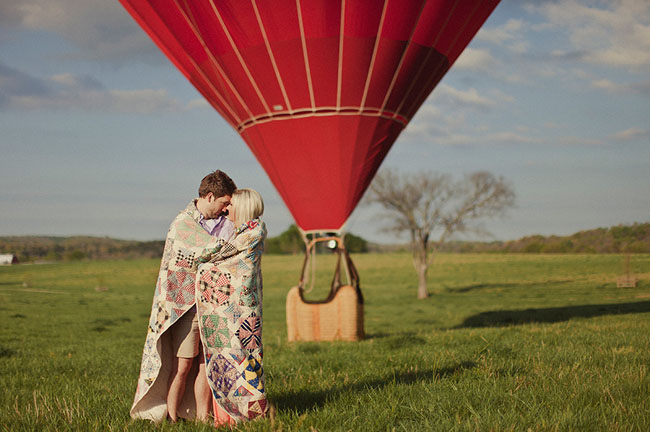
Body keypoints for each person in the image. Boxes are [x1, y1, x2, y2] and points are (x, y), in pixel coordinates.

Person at [130, 170, 236, 423]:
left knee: (206, 366)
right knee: (182, 365)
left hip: (214, 305)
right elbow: (187, 257)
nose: (226, 209)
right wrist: (225, 249)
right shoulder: (182, 224)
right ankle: (171, 417)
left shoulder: (229, 224)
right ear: (210, 196)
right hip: (186, 307)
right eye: (224, 203)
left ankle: (203, 417)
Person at [195, 188, 268, 426]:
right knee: (227, 356)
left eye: (231, 205)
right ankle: (227, 416)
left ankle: (245, 411)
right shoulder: (245, 231)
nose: (226, 209)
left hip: (241, 311)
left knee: (241, 355)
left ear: (243, 207)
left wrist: (199, 259)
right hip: (235, 309)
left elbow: (224, 257)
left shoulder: (252, 232)